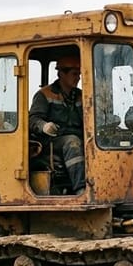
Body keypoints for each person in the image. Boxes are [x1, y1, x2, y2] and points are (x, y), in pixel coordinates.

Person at [29, 54, 85, 195]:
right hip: (52, 142)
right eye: (74, 74)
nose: (78, 77)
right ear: (61, 73)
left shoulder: (82, 96)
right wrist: (44, 126)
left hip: (77, 138)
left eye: (79, 74)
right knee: (73, 143)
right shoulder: (44, 95)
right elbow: (33, 120)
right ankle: (82, 191)